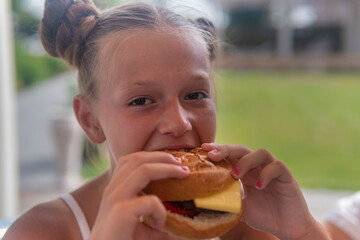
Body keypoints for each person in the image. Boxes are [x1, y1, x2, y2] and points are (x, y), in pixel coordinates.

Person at [4, 0, 330, 239]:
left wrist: (302, 232)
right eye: (141, 100)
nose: (179, 123)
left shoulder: (237, 222)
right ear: (91, 120)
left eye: (195, 95)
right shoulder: (45, 230)